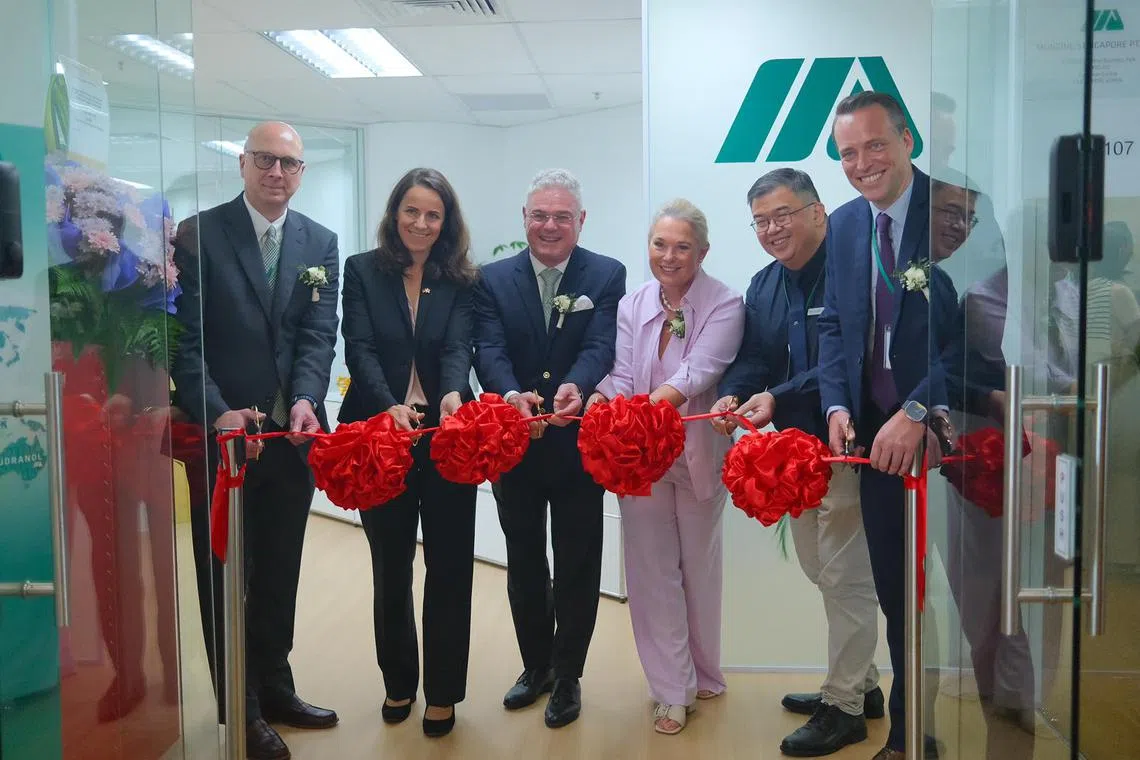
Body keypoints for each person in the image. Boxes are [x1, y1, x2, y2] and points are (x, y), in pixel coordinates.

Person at [172, 121, 339, 760]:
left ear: (301, 174)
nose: (276, 173)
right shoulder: (198, 235)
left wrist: (304, 399)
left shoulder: (316, 242)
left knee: (278, 570)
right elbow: (185, 340)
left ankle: (274, 685)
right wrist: (215, 411)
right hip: (224, 442)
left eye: (289, 164)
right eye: (265, 160)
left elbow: (317, 335)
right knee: (223, 574)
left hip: (287, 438)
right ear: (242, 163)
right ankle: (237, 707)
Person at [713, 169, 882, 756]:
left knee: (844, 575)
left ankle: (845, 708)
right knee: (819, 568)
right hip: (794, 459)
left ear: (818, 212)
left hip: (848, 447)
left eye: (782, 215)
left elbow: (850, 362)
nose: (771, 230)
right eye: (760, 221)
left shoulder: (855, 270)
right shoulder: (764, 285)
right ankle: (862, 684)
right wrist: (736, 394)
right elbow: (753, 358)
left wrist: (778, 398)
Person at [817, 92, 959, 760]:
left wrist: (918, 410)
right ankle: (910, 739)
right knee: (901, 599)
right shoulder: (846, 225)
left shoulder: (960, 213)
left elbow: (981, 342)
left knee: (972, 601)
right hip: (876, 444)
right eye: (848, 152)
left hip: (950, 437)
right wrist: (836, 406)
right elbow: (837, 329)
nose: (862, 163)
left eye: (876, 145)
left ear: (907, 140)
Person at [472, 168, 626, 728]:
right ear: (525, 218)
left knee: (578, 561)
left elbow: (602, 343)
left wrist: (578, 388)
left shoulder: (606, 274)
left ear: (580, 221)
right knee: (524, 561)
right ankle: (534, 666)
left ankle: (568, 676)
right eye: (540, 214)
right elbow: (486, 346)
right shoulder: (491, 278)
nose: (550, 225)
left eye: (562, 215)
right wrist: (510, 394)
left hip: (576, 444)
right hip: (514, 445)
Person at [589, 199, 743, 734]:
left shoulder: (726, 303)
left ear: (702, 251)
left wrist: (641, 411)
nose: (669, 256)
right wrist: (597, 400)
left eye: (682, 247)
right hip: (639, 459)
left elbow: (702, 370)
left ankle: (704, 674)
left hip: (696, 453)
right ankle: (671, 690)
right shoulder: (632, 303)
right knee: (652, 571)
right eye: (660, 244)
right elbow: (621, 372)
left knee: (699, 570)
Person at [339, 167, 479, 739]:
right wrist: (386, 403)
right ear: (395, 214)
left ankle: (442, 693)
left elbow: (457, 349)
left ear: (446, 223)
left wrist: (449, 395)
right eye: (411, 211)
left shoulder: (461, 279)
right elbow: (360, 346)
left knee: (448, 568)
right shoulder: (363, 271)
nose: (421, 223)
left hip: (446, 437)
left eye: (433, 214)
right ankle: (399, 680)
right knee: (389, 566)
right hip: (380, 435)